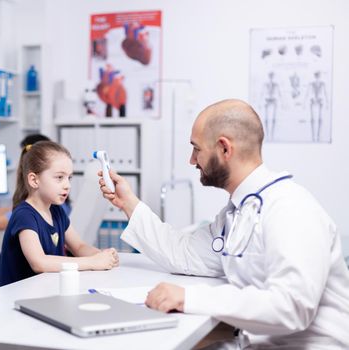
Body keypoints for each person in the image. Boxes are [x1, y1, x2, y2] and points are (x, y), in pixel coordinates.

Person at [99, 99, 349, 349]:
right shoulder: (239, 211)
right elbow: (183, 253)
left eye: (196, 149)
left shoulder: (290, 208)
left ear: (224, 149)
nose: (192, 159)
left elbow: (292, 306)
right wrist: (128, 203)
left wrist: (189, 297)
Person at [0, 140, 119, 287]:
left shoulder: (56, 210)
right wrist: (92, 262)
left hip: (44, 290)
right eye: (59, 177)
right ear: (34, 180)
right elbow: (39, 263)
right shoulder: (24, 215)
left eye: (69, 178)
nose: (67, 185)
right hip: (16, 298)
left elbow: (79, 247)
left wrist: (100, 255)